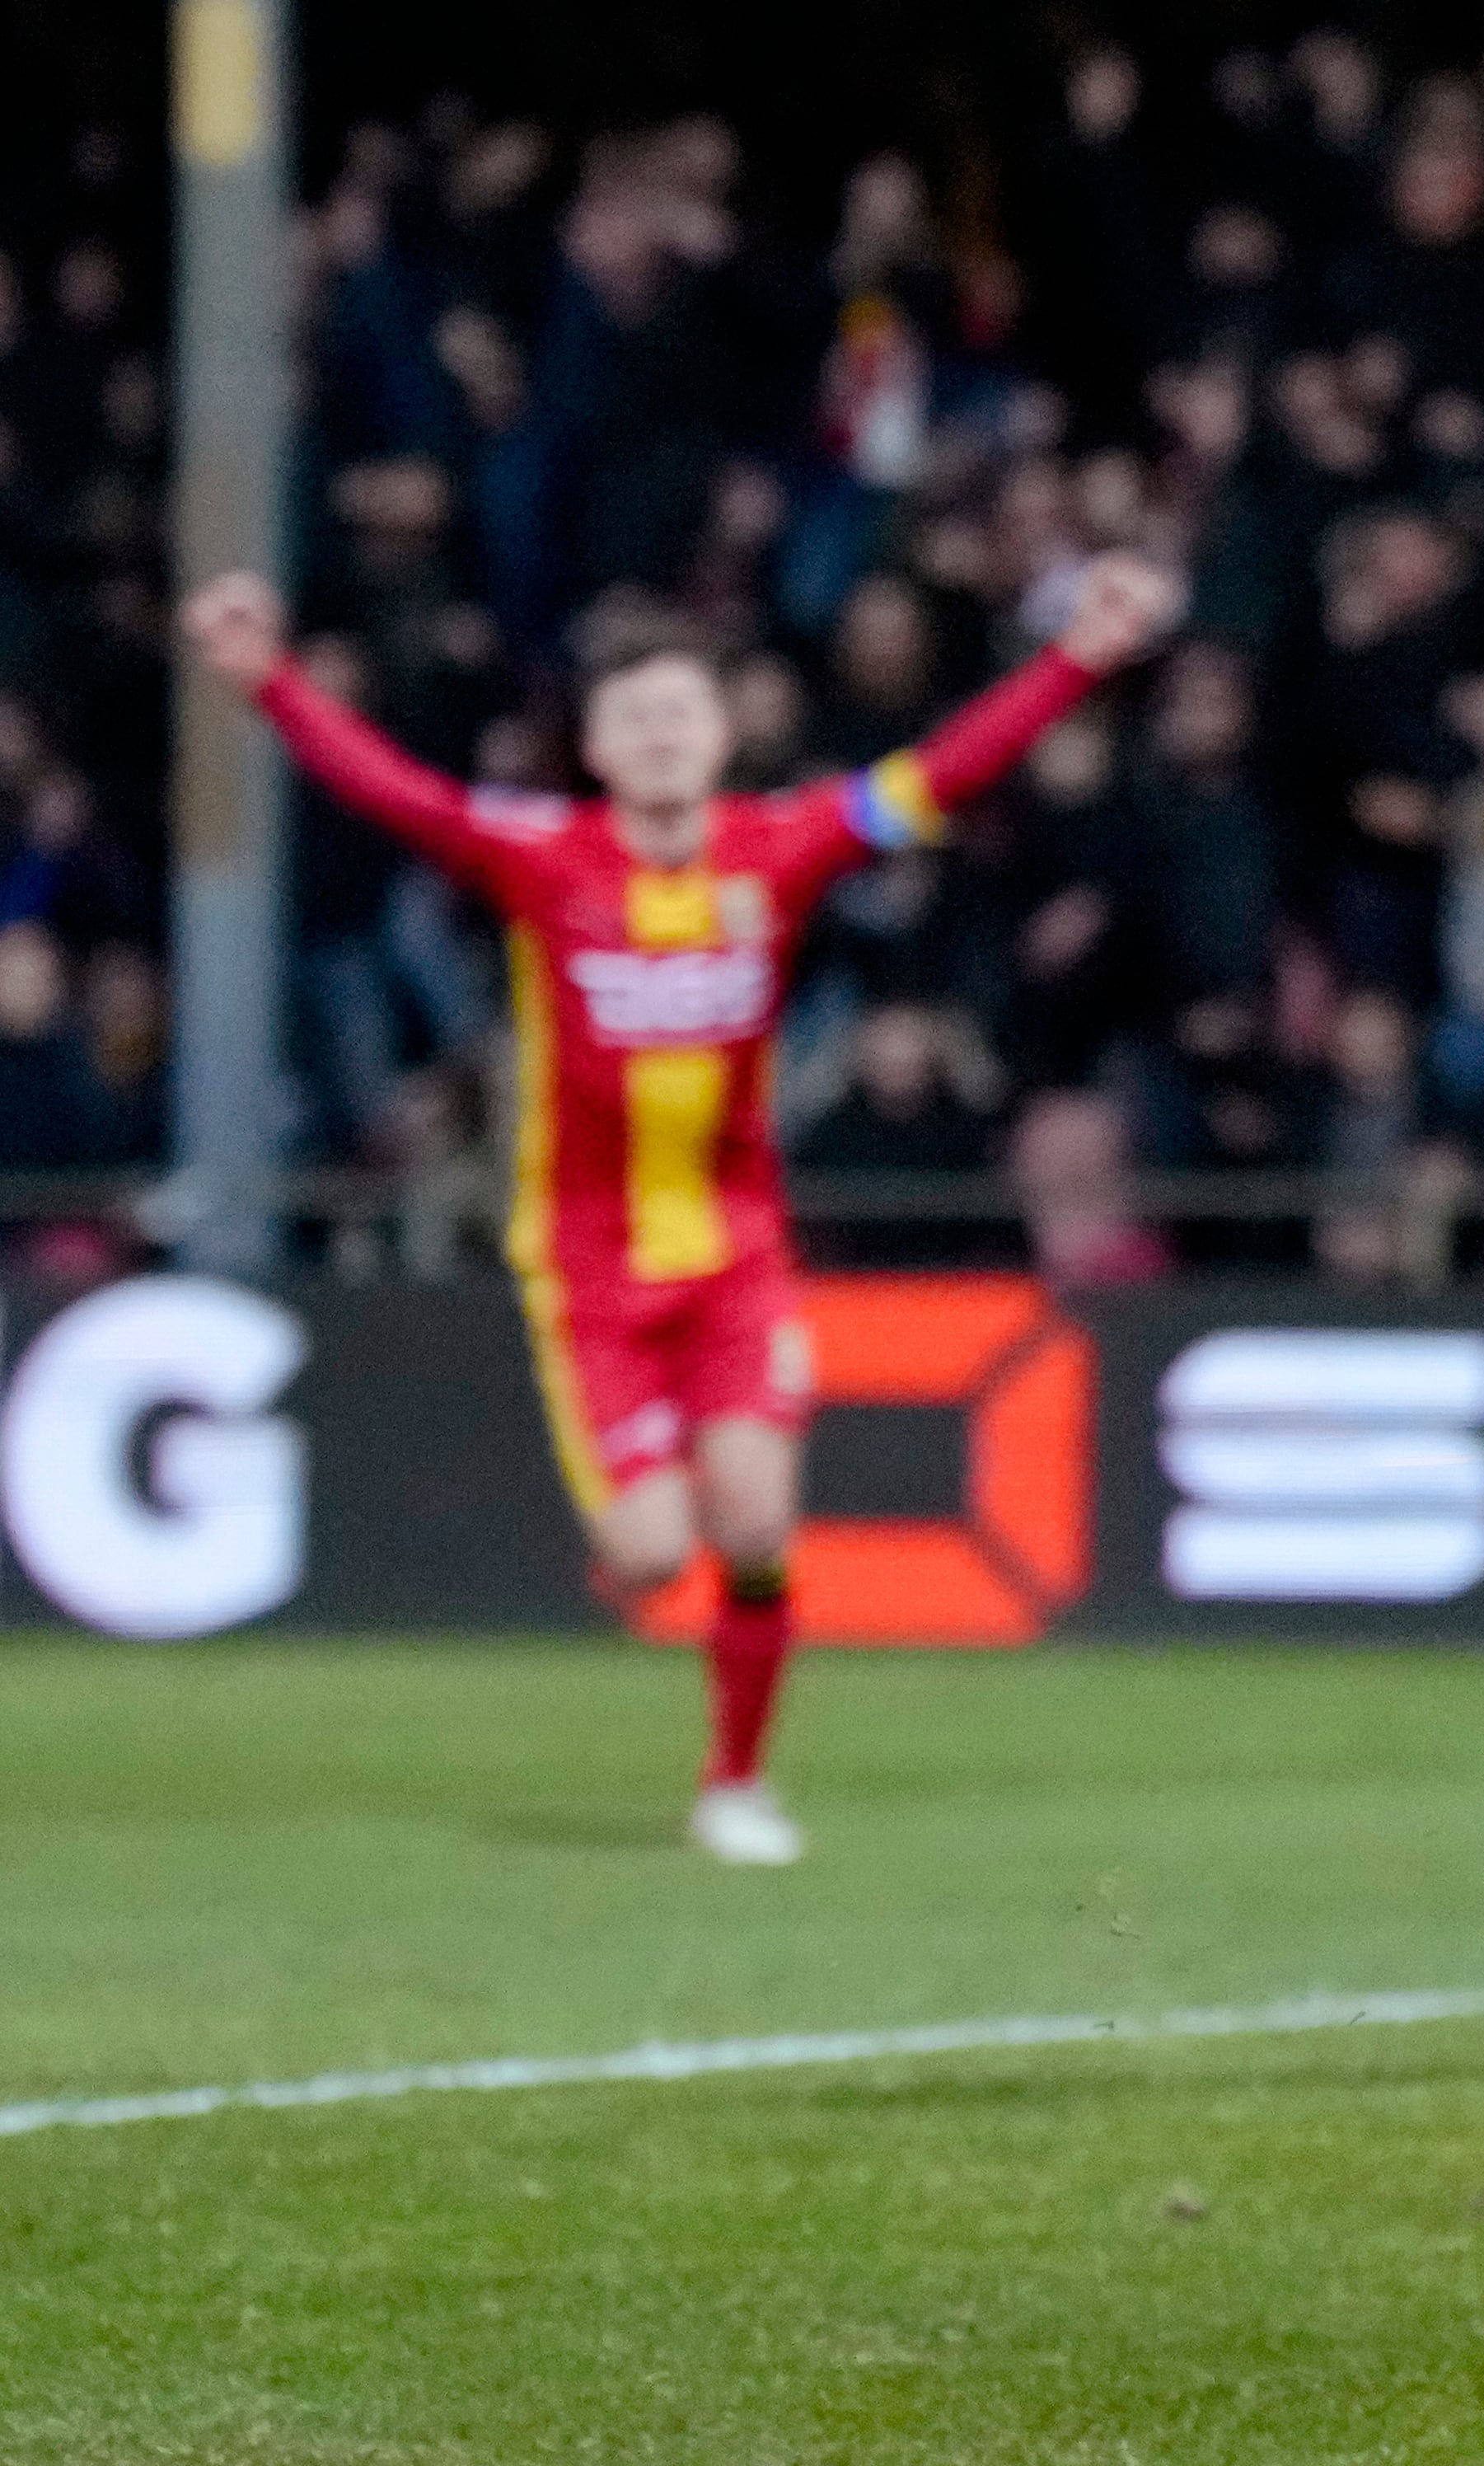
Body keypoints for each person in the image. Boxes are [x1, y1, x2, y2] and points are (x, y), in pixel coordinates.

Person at [180, 551, 1183, 1865]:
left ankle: (735, 1782)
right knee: (655, 1560)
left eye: (683, 713)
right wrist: (270, 682)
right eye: (636, 716)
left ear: (723, 734)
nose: (661, 734)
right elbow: (394, 794)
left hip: (738, 1258)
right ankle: (640, 1560)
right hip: (589, 1267)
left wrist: (1078, 659)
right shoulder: (542, 855)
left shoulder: (783, 845)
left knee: (760, 1523)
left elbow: (944, 773)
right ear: (596, 745)